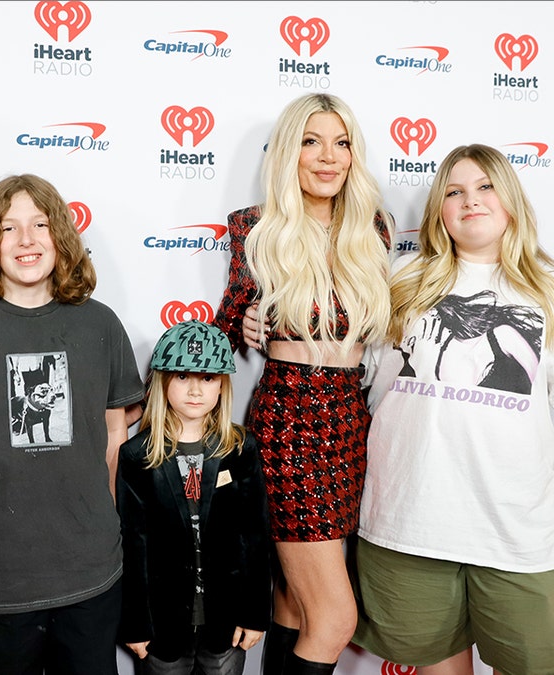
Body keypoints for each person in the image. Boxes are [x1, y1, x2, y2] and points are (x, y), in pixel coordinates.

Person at [0, 173, 144, 675]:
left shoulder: (100, 323)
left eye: (40, 224)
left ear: (60, 235)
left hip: (92, 570)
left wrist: (105, 530)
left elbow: (115, 437)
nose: (26, 240)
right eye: (9, 227)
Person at [354, 144, 554, 674]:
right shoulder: (401, 278)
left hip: (516, 529)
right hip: (412, 519)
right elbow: (347, 364)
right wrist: (261, 319)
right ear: (439, 209)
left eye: (486, 186)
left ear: (511, 198)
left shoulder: (548, 289)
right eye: (454, 190)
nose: (471, 201)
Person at [213, 92, 392, 675]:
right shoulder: (255, 227)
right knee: (337, 618)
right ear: (289, 151)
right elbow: (222, 337)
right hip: (291, 419)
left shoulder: (374, 228)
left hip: (350, 421)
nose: (328, 157)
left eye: (341, 143)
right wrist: (241, 321)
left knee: (295, 601)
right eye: (312, 141)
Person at [117, 320, 272, 675]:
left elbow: (255, 535)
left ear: (222, 386)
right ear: (163, 381)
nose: (195, 390)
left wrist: (254, 615)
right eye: (183, 376)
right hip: (163, 629)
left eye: (208, 379)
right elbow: (132, 544)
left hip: (226, 624)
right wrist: (136, 624)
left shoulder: (240, 448)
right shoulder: (137, 455)